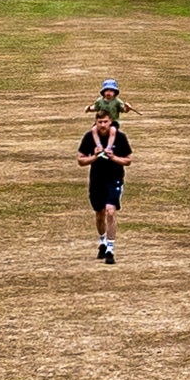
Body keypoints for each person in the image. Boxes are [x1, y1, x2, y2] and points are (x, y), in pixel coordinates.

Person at [79, 77, 131, 264]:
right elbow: (80, 159)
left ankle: (110, 248)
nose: (109, 93)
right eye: (106, 91)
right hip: (97, 179)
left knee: (110, 211)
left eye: (112, 91)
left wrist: (113, 157)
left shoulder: (117, 125)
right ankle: (102, 242)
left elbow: (129, 160)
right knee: (99, 212)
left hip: (114, 177)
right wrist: (93, 156)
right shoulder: (98, 110)